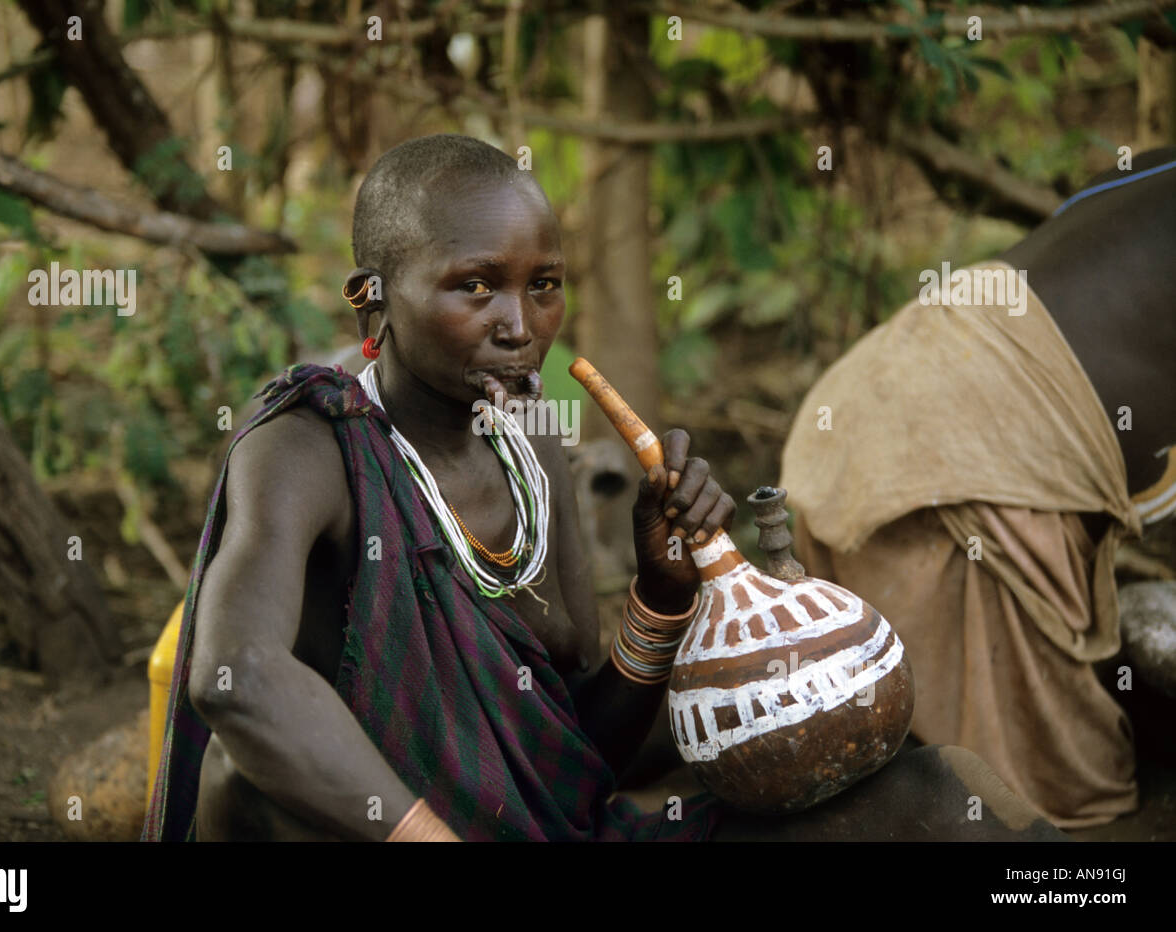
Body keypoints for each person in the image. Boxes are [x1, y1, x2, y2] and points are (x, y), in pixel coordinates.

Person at [144, 134, 1062, 842]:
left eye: (542, 285)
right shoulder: (310, 446)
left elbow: (576, 754)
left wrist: (662, 596)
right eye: (476, 288)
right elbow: (238, 676)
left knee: (928, 796)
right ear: (372, 300)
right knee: (242, 782)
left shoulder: (535, 455)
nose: (520, 326)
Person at [781, 149, 1176, 829]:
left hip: (872, 395)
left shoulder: (1149, 170)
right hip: (961, 450)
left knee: (856, 723)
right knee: (1028, 804)